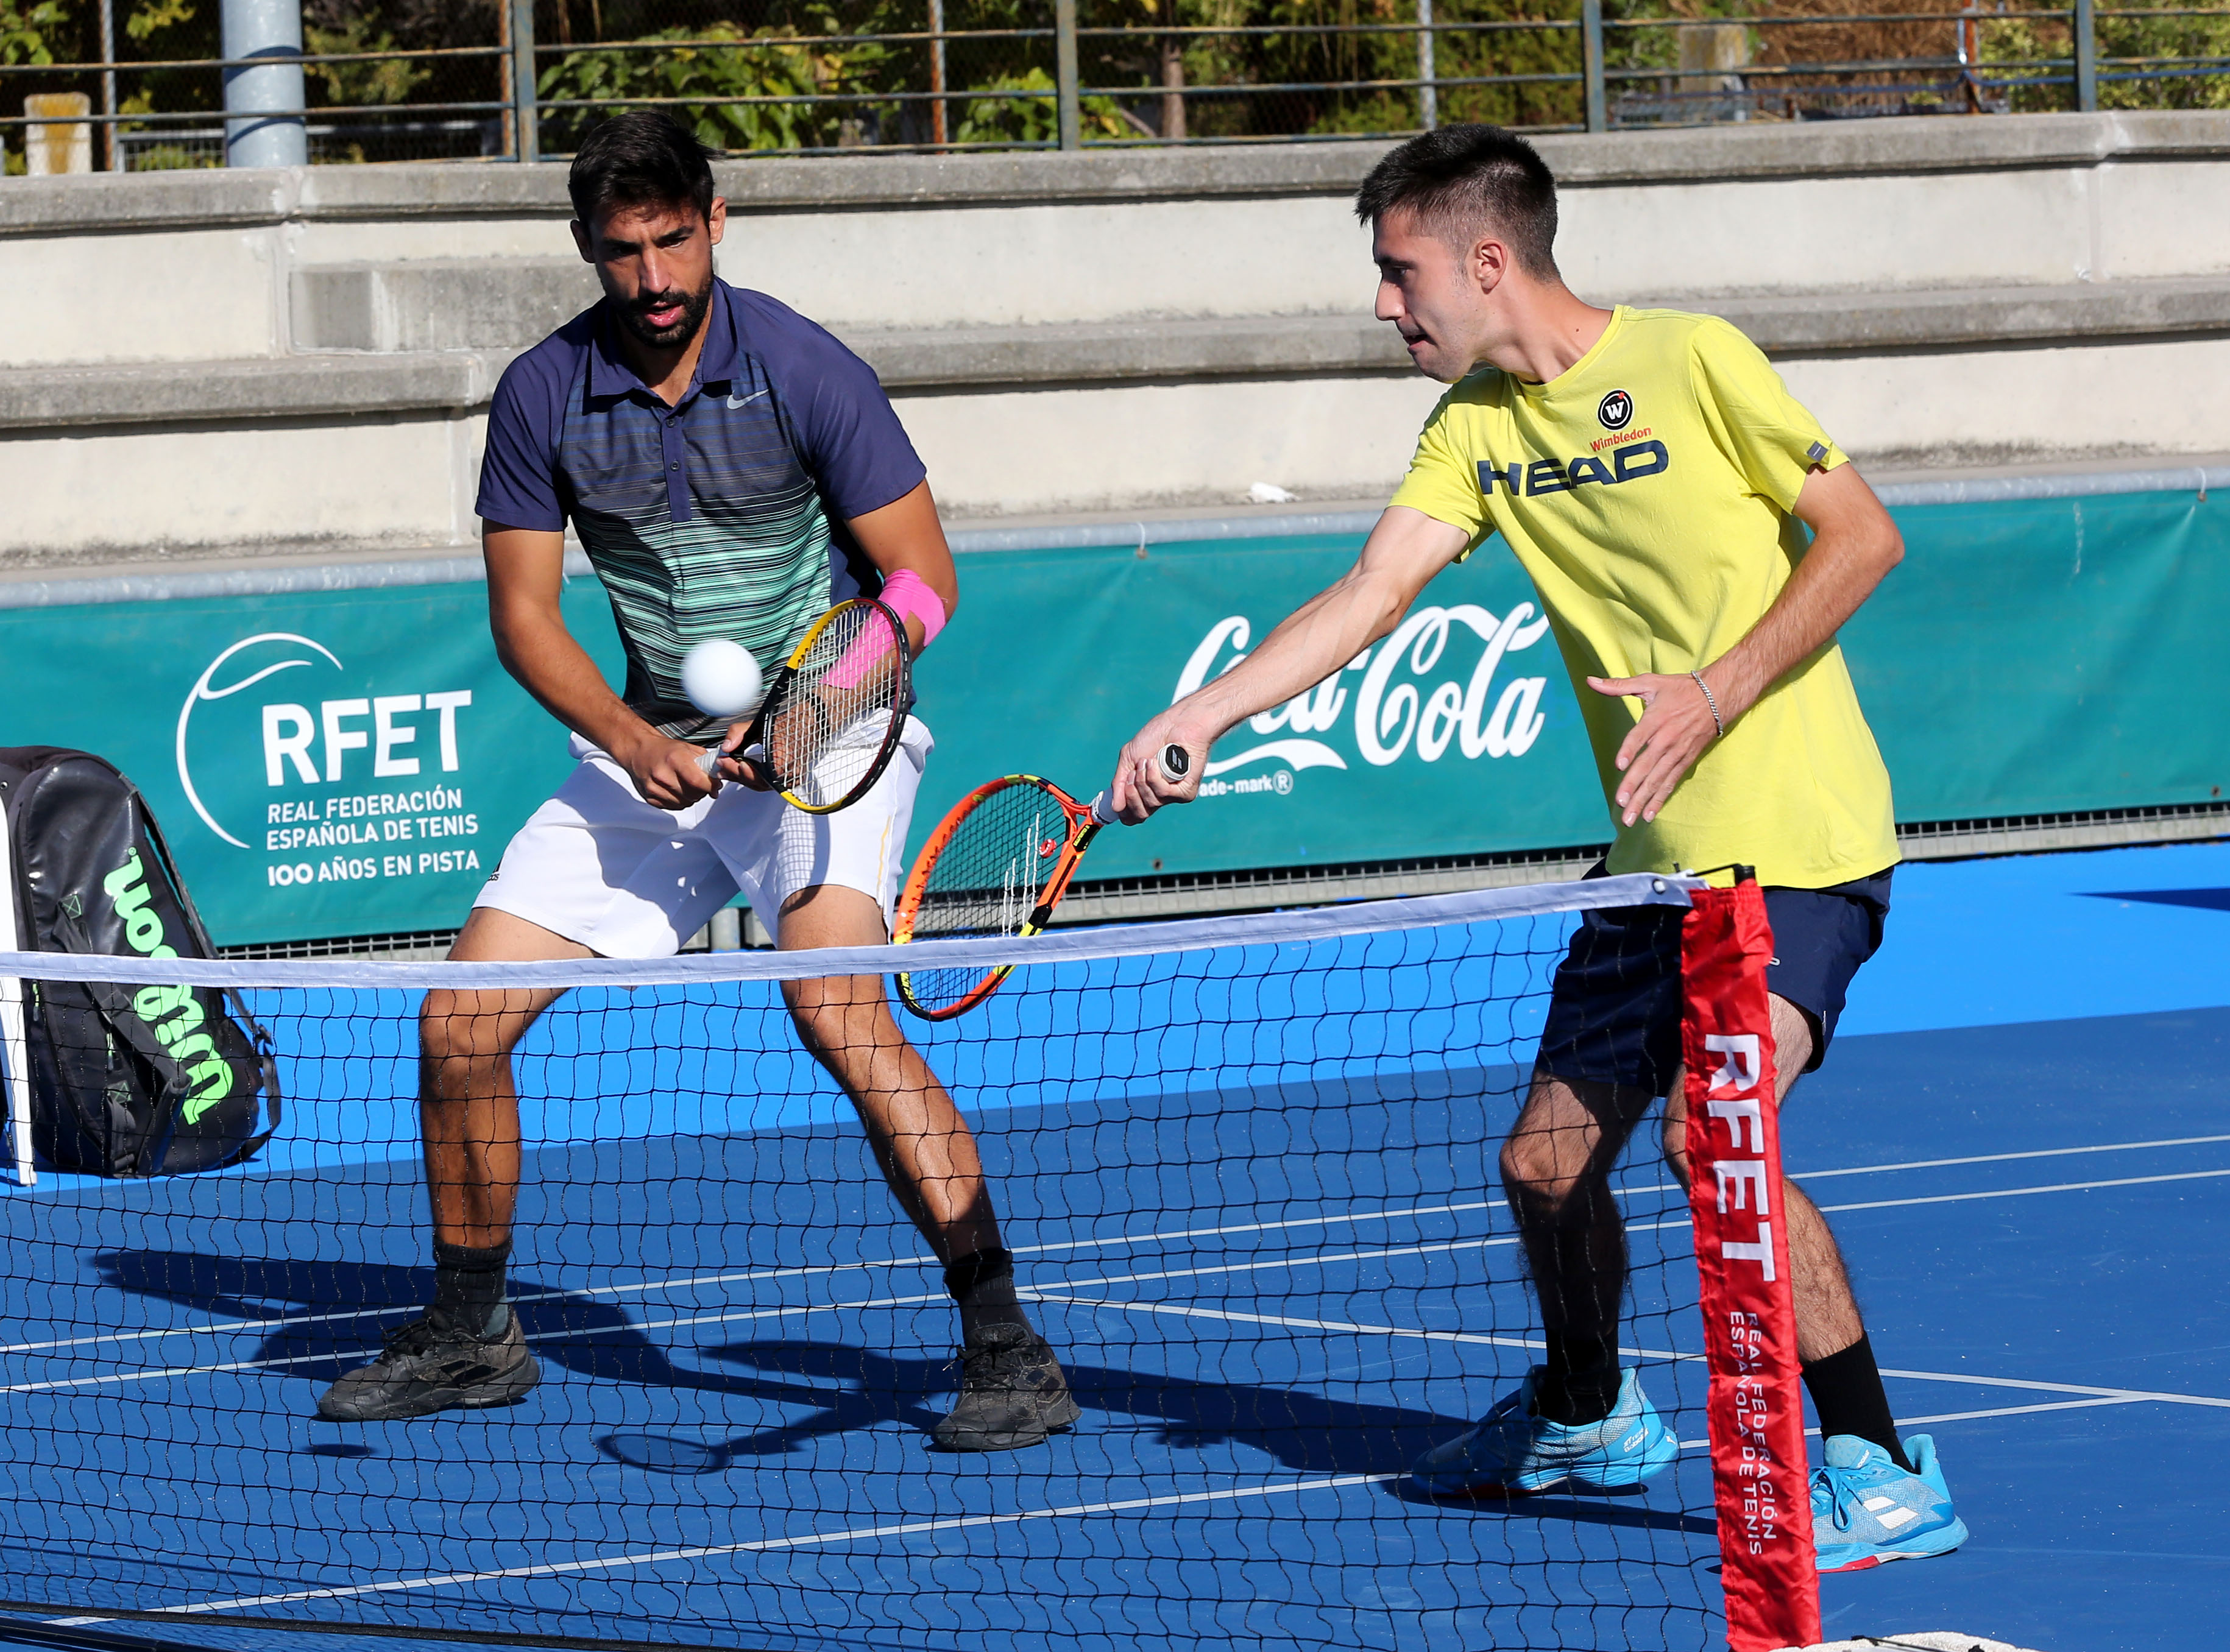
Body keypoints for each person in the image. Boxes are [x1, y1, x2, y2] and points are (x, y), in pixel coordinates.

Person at [1108, 124, 1964, 1572]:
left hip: (1801, 846)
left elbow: (1864, 539)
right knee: (1543, 1169)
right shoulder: (1477, 431)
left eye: (1401, 272)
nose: (1389, 305)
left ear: (1487, 261)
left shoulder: (1694, 362)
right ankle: (1587, 1412)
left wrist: (1715, 689)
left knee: (1720, 1138)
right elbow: (1373, 592)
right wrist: (1205, 709)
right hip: (1656, 868)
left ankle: (1883, 1465)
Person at [317, 111, 1077, 1454]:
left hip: (835, 727)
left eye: (676, 241)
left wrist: (803, 726)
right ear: (586, 250)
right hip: (652, 746)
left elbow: (920, 586)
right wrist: (629, 739)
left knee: (831, 1005)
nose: (657, 279)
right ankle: (474, 1331)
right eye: (626, 252)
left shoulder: (802, 368)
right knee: (458, 1021)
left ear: (716, 222)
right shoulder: (544, 394)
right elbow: (525, 618)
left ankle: (1006, 1343)